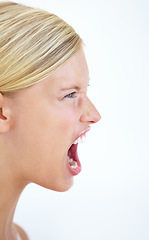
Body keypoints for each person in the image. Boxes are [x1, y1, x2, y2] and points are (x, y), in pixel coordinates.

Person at [0, 2, 101, 240]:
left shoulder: (19, 236)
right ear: (2, 112)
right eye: (69, 94)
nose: (94, 114)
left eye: (85, 91)